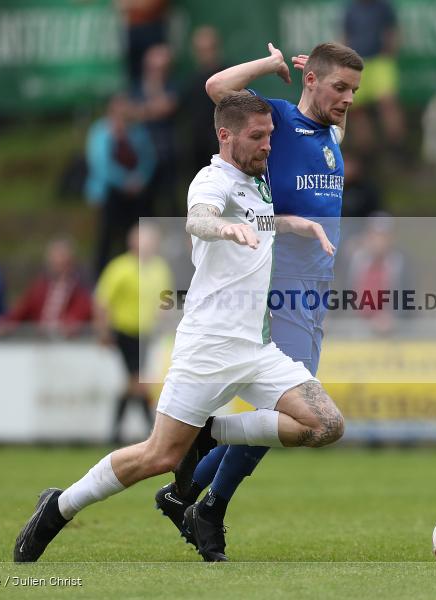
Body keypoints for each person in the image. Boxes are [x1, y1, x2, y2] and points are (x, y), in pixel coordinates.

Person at [13, 92, 343, 563]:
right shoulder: (213, 180)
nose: (269, 145)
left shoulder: (257, 184)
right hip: (208, 347)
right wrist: (224, 229)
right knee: (158, 458)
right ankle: (58, 507)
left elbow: (261, 220)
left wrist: (297, 225)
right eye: (257, 136)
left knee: (325, 425)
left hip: (256, 347)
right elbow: (200, 219)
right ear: (224, 135)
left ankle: (214, 432)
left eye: (270, 135)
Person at [151, 42, 363, 561]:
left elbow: (331, 134)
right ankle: (208, 504)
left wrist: (330, 93)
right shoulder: (281, 120)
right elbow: (217, 88)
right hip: (278, 289)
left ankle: (185, 493)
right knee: (293, 413)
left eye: (354, 91)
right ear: (310, 81)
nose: (348, 99)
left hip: (312, 293)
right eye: (339, 87)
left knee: (289, 417)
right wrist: (272, 67)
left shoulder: (332, 134)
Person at [94, 223, 173, 445]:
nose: (149, 245)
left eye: (152, 241)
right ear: (133, 243)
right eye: (144, 240)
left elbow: (163, 301)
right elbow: (101, 300)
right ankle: (153, 433)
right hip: (125, 332)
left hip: (147, 334)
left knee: (133, 383)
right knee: (138, 381)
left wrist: (164, 322)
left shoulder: (160, 267)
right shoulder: (120, 267)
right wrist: (103, 330)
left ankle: (116, 432)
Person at [85, 95, 156, 276]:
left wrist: (140, 178)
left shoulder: (137, 131)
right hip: (109, 193)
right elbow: (100, 163)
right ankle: (101, 276)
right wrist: (125, 181)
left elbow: (149, 157)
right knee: (107, 238)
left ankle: (140, 273)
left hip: (136, 193)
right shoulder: (100, 132)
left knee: (135, 232)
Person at [0, 238, 92, 338]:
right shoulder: (40, 287)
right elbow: (22, 310)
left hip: (68, 343)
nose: (57, 263)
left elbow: (82, 310)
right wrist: (5, 322)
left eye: (62, 261)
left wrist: (72, 322)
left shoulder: (80, 288)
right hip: (39, 341)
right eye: (54, 260)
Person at [343, 0, 404, 153]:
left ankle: (397, 148)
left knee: (387, 103)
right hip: (356, 63)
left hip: (380, 62)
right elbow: (345, 37)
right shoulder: (351, 9)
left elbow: (392, 32)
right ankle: (367, 154)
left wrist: (389, 53)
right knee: (356, 109)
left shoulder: (383, 7)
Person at [130, 44, 181, 217]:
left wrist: (146, 109)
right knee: (145, 202)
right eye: (154, 67)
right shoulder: (136, 87)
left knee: (171, 201)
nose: (157, 71)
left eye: (161, 68)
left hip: (168, 152)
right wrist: (152, 109)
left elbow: (167, 107)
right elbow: (131, 112)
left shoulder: (171, 85)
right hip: (142, 154)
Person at [182, 26, 226, 178]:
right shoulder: (191, 82)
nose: (205, 55)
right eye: (201, 50)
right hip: (198, 148)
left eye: (209, 49)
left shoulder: (230, 75)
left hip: (224, 146)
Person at [114, 0, 171, 89]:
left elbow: (150, 6)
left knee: (155, 69)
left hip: (153, 28)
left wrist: (130, 4)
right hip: (130, 29)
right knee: (131, 74)